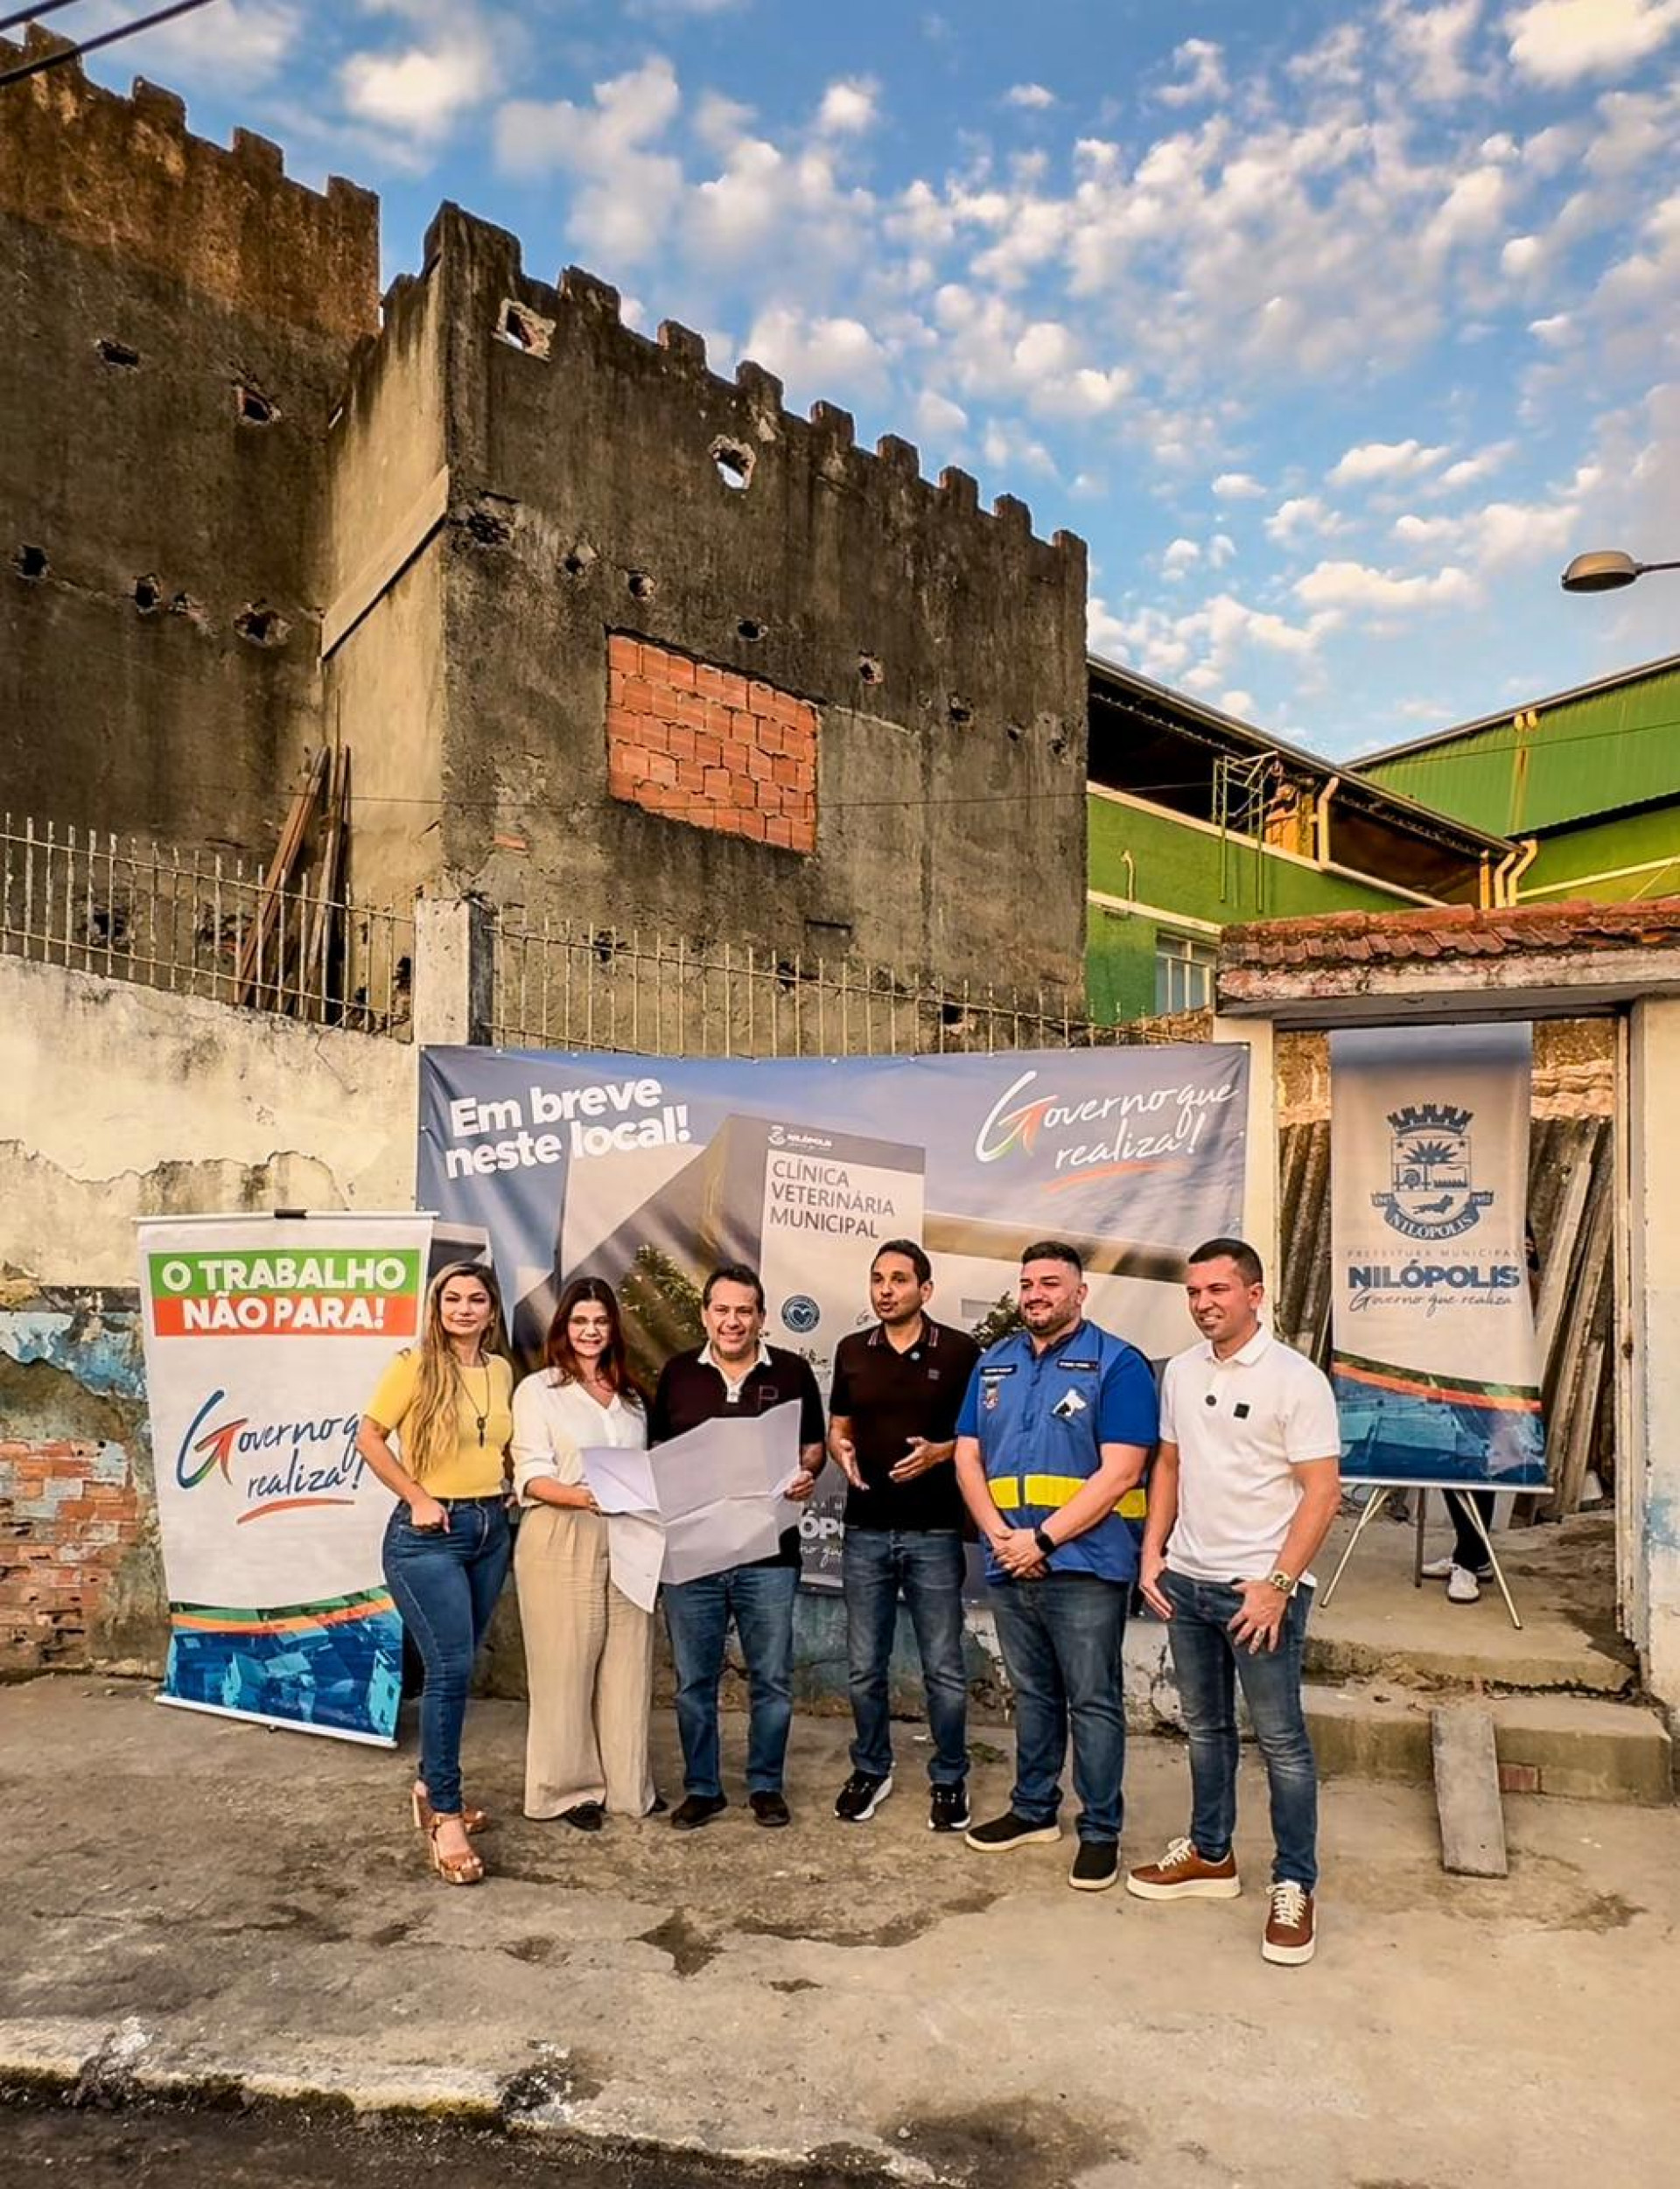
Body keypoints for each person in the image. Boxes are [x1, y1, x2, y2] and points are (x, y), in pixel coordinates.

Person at [1128, 1237, 1342, 1967]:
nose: (1203, 1304)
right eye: (1193, 1293)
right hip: (1187, 1581)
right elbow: (1170, 1463)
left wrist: (1278, 1585)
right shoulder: (1181, 1373)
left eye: (1218, 1290)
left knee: (1281, 1742)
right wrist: (1153, 1552)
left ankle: (1295, 1885)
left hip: (1259, 1592)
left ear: (1255, 1294)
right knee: (1205, 1731)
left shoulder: (1296, 1379)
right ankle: (1212, 1856)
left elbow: (1323, 1491)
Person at [953, 1241, 1158, 1892]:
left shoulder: (1117, 1365)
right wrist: (1000, 1537)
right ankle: (1034, 1810)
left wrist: (1040, 1541)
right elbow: (967, 1457)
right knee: (1035, 1694)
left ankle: (1100, 1831)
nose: (1036, 1294)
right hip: (1011, 1558)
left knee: (1093, 1701)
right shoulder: (995, 1363)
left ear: (1079, 1292)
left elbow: (1123, 1469)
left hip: (1086, 1566)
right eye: (1027, 1284)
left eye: (1050, 1283)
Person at [649, 1264, 827, 1829]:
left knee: (771, 1679)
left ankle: (766, 1786)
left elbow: (815, 1448)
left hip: (768, 1557)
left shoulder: (794, 1372)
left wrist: (805, 1474)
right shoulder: (677, 1374)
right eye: (721, 1310)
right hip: (692, 1558)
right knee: (693, 1683)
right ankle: (702, 1789)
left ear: (761, 1317)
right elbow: (656, 1448)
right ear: (705, 1314)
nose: (732, 1321)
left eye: (744, 1311)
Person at [357, 1260, 514, 1887]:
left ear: (491, 1309)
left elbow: (493, 1440)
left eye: (477, 1299)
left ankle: (430, 1786)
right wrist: (420, 1496)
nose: (464, 1309)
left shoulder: (500, 1370)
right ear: (437, 1305)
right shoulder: (413, 1364)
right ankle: (445, 1815)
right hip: (428, 1537)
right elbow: (369, 1437)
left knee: (460, 1665)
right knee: (449, 1670)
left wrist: (504, 1487)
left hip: (489, 1531)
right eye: (453, 1299)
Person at [828, 1240, 981, 1831]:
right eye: (877, 1279)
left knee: (943, 1666)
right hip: (866, 1529)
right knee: (865, 1666)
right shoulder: (851, 1351)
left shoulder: (962, 1351)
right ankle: (871, 1767)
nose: (886, 1289)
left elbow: (979, 1433)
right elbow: (840, 1425)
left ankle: (950, 1778)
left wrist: (942, 1452)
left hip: (935, 1531)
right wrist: (842, 1449)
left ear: (926, 1289)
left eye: (898, 1279)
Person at [512, 1276, 658, 1831]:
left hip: (628, 1535)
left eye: (600, 1322)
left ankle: (626, 1787)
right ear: (563, 1328)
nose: (590, 1331)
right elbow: (530, 1474)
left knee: (628, 1664)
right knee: (565, 1667)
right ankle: (567, 1791)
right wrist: (582, 1497)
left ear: (613, 1329)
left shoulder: (631, 1400)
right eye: (579, 1322)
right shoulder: (538, 1391)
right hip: (561, 1530)